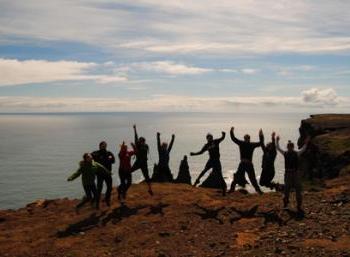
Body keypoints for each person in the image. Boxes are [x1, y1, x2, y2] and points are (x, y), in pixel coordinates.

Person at [276, 136, 309, 214]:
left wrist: (306, 143)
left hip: (295, 173)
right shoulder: (286, 153)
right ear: (287, 147)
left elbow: (303, 149)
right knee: (286, 189)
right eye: (289, 146)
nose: (290, 148)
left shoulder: (296, 153)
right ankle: (286, 204)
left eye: (291, 146)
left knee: (298, 189)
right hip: (288, 173)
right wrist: (276, 140)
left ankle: (299, 205)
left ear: (292, 147)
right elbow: (278, 148)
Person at [229, 127, 263, 194]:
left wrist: (260, 135)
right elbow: (233, 139)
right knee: (237, 177)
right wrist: (231, 131)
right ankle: (231, 190)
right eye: (246, 138)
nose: (247, 139)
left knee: (252, 179)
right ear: (244, 139)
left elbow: (261, 143)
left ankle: (259, 191)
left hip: (249, 164)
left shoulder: (251, 144)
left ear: (249, 139)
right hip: (242, 163)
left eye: (247, 138)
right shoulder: (242, 143)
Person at [130, 125, 153, 195]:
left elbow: (140, 151)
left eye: (140, 141)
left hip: (142, 163)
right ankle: (126, 183)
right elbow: (136, 137)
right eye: (140, 141)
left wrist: (134, 147)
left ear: (143, 141)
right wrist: (135, 129)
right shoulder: (142, 145)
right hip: (139, 162)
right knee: (130, 171)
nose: (139, 142)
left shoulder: (144, 146)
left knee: (147, 176)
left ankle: (150, 189)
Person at [92, 141, 115, 208]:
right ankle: (97, 204)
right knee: (99, 189)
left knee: (110, 188)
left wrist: (110, 159)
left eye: (105, 145)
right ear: (99, 146)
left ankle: (107, 200)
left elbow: (113, 161)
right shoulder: (95, 153)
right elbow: (89, 157)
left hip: (108, 173)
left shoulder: (109, 153)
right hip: (100, 174)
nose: (104, 147)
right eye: (102, 145)